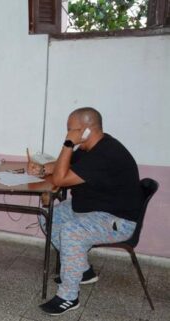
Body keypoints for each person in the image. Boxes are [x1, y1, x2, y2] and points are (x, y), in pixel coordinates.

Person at [30, 107, 142, 315]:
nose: (68, 133)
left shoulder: (107, 153)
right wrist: (43, 169)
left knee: (72, 231)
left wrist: (68, 144)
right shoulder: (91, 147)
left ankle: (68, 297)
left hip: (117, 220)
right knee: (49, 216)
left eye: (72, 129)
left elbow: (61, 179)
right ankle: (83, 271)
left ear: (87, 130)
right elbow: (64, 167)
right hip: (92, 209)